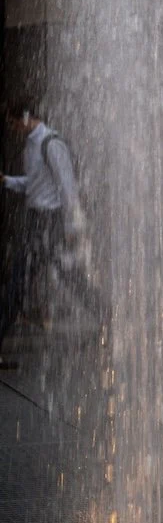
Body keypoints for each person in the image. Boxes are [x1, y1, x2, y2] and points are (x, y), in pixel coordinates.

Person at [2, 98, 84, 368]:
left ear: (26, 117)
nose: (13, 129)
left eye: (14, 123)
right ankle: (107, 316)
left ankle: (108, 317)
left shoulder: (51, 144)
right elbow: (35, 184)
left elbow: (68, 188)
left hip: (49, 224)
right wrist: (7, 181)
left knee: (17, 283)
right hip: (36, 221)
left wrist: (71, 228)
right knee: (69, 278)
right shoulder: (31, 146)